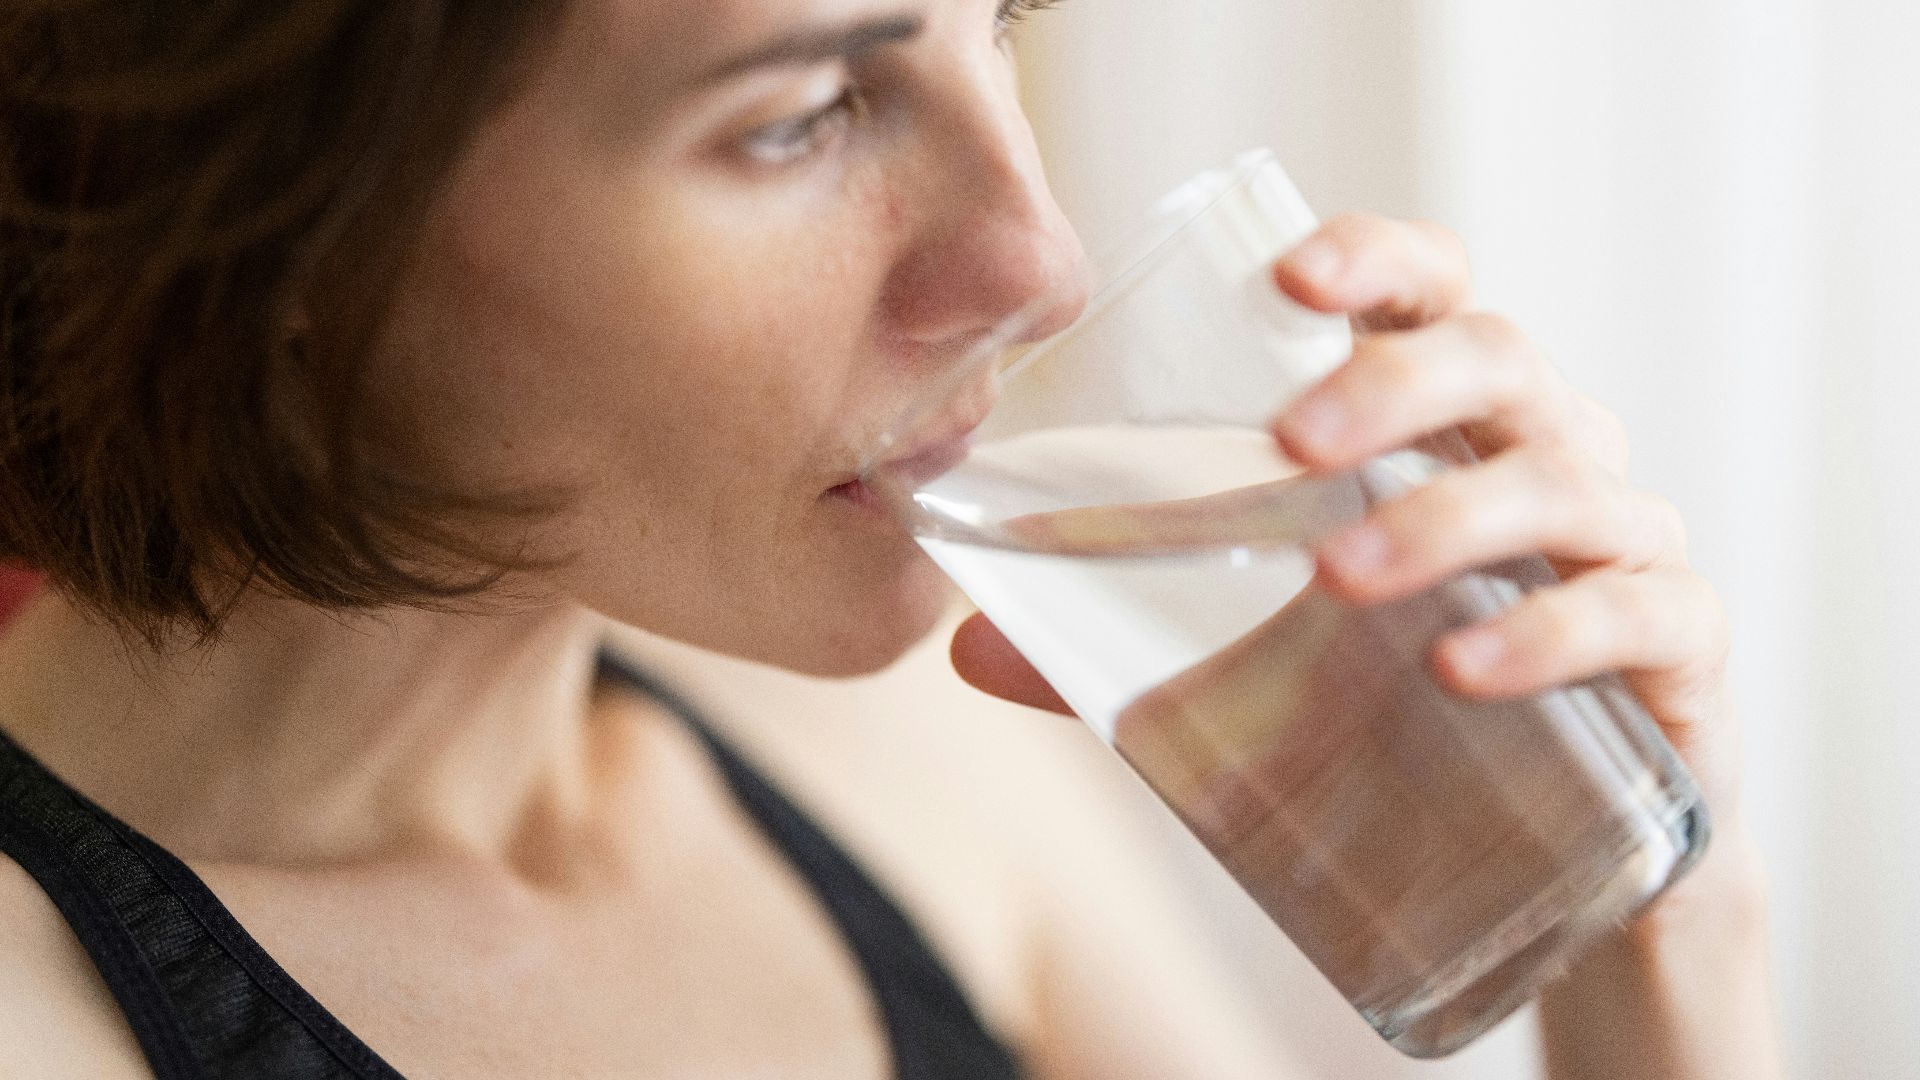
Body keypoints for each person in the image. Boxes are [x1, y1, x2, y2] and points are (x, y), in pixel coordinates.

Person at [0, 1, 1783, 1077]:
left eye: (993, 20)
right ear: (260, 223)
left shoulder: (902, 752)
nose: (1042, 260)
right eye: (796, 115)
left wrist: (1653, 921)